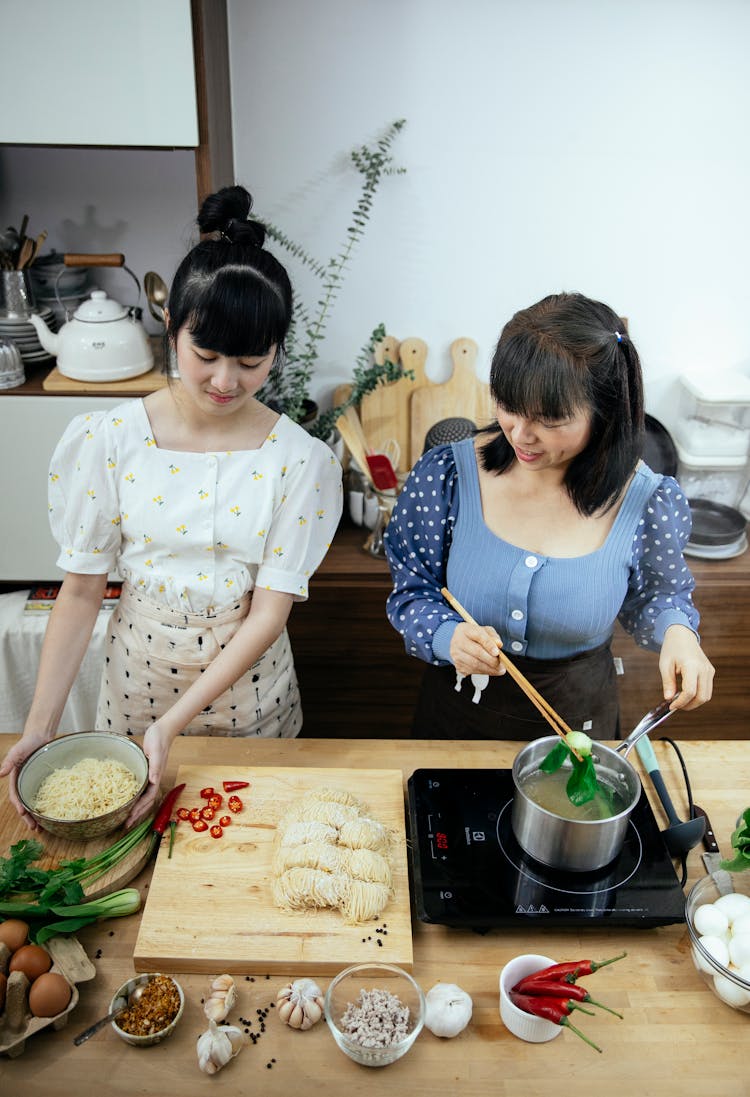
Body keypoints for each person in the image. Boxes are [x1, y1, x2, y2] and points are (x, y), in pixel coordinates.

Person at [1, 185, 342, 824]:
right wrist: (39, 726)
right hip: (135, 689)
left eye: (250, 362)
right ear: (171, 326)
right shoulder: (110, 439)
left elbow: (268, 614)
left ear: (276, 350)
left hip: (252, 701)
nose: (224, 381)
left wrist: (174, 727)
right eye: (205, 355)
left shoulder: (299, 459)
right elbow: (79, 593)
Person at [384, 291, 714, 740]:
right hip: (455, 725)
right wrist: (446, 636)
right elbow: (412, 591)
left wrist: (679, 634)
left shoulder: (645, 501)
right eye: (508, 405)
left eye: (550, 420)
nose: (521, 434)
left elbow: (659, 597)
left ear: (605, 412)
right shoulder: (448, 476)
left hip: (580, 724)